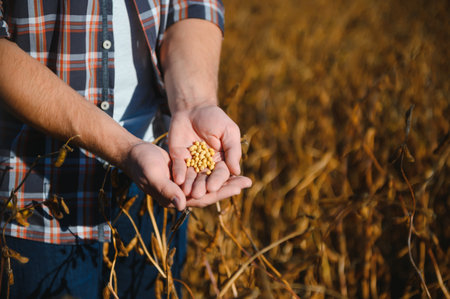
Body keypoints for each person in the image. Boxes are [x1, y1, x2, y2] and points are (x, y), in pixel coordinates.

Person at [0, 0, 251, 298]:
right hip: (36, 194)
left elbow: (190, 6)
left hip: (160, 177)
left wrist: (195, 103)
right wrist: (124, 148)